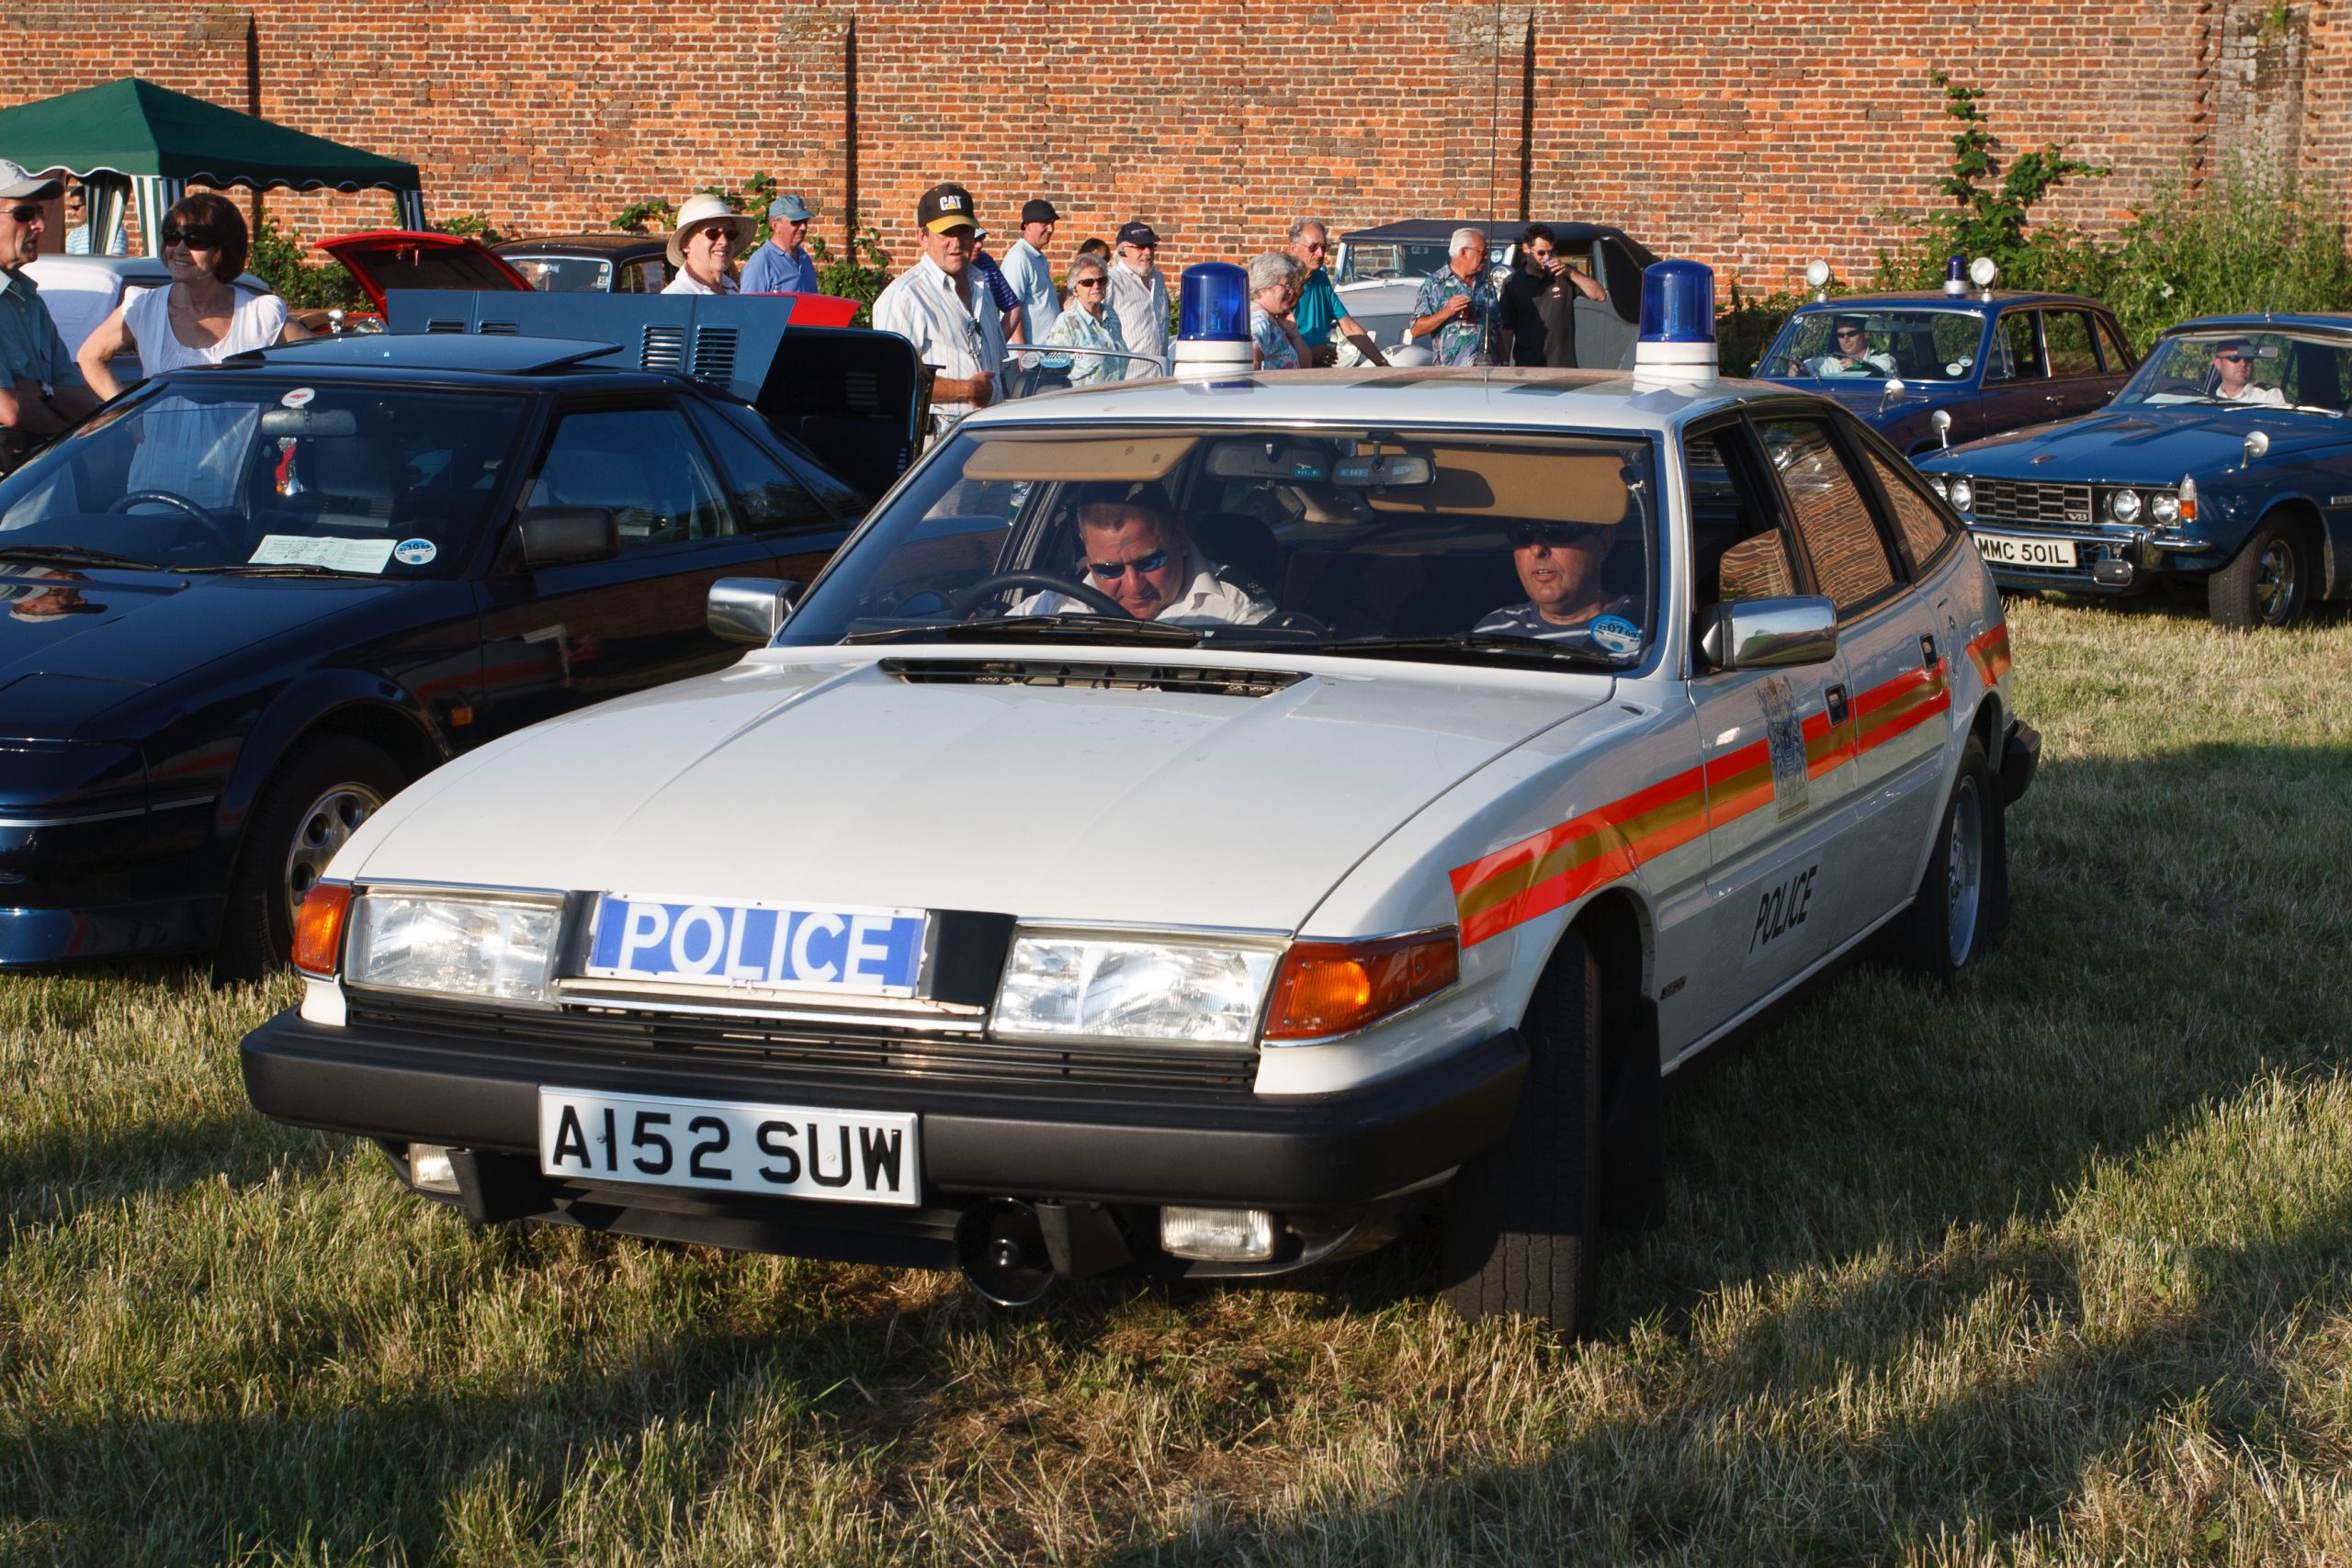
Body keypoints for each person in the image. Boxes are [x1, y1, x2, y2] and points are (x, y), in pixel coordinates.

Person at [77, 191, 303, 400]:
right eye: (172, 237)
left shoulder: (259, 314)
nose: (179, 249)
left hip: (240, 434)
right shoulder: (144, 307)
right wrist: (129, 412)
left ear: (223, 249)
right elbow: (90, 357)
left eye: (196, 240)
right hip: (161, 434)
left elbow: (320, 361)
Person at [1013, 483, 1273, 625]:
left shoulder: (1238, 614)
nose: (1133, 586)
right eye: (1109, 569)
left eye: (1150, 562)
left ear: (1179, 536)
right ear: (1087, 553)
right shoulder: (1050, 607)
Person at [869, 182, 1007, 433]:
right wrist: (968, 389)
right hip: (937, 441)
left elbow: (997, 365)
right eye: (946, 233)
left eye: (964, 231)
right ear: (922, 237)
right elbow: (891, 380)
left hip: (989, 434)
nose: (956, 242)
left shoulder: (981, 287)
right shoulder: (906, 296)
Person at [0, 161, 102, 472]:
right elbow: (10, 411)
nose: (40, 225)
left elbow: (85, 404)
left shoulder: (29, 301)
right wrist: (65, 431)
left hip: (40, 480)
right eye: (24, 214)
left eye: (40, 213)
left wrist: (43, 391)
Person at [1473, 520, 1643, 653]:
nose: (1537, 549)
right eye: (1523, 532)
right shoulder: (1492, 633)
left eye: (1558, 530)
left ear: (1604, 542)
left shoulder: (1651, 630)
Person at [1498, 223, 1607, 368]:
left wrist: (1571, 273)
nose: (1547, 258)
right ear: (1526, 249)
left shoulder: (1564, 275)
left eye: (1551, 252)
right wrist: (1504, 363)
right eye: (1541, 253)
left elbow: (1600, 296)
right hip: (1528, 366)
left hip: (1563, 366)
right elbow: (1506, 328)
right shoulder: (1513, 283)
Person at [1284, 219, 1381, 367]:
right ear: (1293, 247)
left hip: (1319, 371)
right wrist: (1309, 352)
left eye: (1324, 247)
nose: (1320, 253)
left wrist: (1382, 363)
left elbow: (1349, 326)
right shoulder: (1280, 283)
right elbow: (1270, 341)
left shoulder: (1321, 279)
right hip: (1289, 373)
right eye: (1313, 247)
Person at [1409, 228, 1502, 367]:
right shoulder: (1435, 284)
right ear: (1464, 253)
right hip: (1452, 374)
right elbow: (1416, 330)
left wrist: (1505, 362)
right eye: (1483, 253)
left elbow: (1499, 328)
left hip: (1488, 371)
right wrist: (1447, 311)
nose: (1486, 258)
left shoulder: (1486, 284)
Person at [1040, 251, 1129, 386]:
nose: (1096, 286)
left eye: (1102, 281)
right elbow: (1054, 373)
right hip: (1081, 397)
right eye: (1088, 282)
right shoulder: (1066, 323)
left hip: (1115, 395)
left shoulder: (1111, 315)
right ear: (1075, 290)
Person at [661, 194, 756, 295]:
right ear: (685, 243)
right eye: (712, 233)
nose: (724, 241)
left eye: (730, 234)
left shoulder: (732, 289)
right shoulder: (677, 296)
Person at [1106, 220, 1170, 371]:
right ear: (1122, 251)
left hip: (1160, 376)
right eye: (1140, 246)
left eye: (1151, 246)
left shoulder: (1158, 279)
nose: (1148, 252)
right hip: (1128, 379)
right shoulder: (1110, 282)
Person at [999, 199, 1060, 345]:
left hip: (1042, 352)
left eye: (1052, 223)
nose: (1050, 229)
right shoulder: (1019, 258)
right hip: (1028, 353)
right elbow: (1012, 308)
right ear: (1027, 225)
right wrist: (1023, 351)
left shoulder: (1036, 257)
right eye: (1045, 223)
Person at [738, 193, 820, 294]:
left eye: (805, 221)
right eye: (796, 222)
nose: (803, 227)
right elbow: (748, 303)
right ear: (775, 225)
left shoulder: (804, 258)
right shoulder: (760, 264)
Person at [1246, 251, 1306, 370]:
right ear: (1264, 288)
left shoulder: (1269, 317)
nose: (1291, 291)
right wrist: (1255, 380)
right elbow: (1251, 351)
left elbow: (1305, 367)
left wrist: (1294, 334)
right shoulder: (1259, 318)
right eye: (1286, 286)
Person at [968, 231, 1024, 344]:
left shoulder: (985, 262)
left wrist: (997, 345)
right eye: (974, 239)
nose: (979, 245)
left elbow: (1013, 308)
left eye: (981, 238)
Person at [1805, 316, 1895, 377]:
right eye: (1841, 335)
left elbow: (1879, 373)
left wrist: (1857, 366)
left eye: (1851, 334)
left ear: (1866, 334)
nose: (1846, 339)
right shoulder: (1831, 362)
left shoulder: (1883, 359)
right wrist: (1800, 369)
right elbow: (1807, 367)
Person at [2211, 338, 2287, 405]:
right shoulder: (2208, 399)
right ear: (2218, 363)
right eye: (2235, 358)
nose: (2243, 363)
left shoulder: (2268, 396)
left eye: (2248, 358)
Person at [62, 179, 124, 257]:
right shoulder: (74, 234)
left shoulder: (115, 232)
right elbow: (69, 261)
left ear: (89, 205)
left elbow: (115, 261)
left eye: (76, 207)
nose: (72, 213)